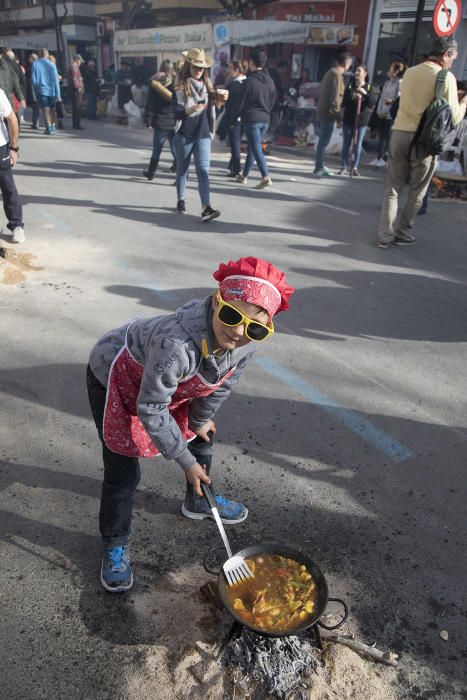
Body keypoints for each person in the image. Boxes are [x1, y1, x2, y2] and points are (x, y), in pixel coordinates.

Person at [87, 256, 294, 592]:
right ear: (216, 301)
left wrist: (198, 421)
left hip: (168, 382)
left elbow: (221, 383)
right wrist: (185, 461)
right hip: (116, 373)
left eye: (255, 327)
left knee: (202, 429)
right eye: (231, 315)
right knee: (123, 472)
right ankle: (114, 543)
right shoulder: (176, 345)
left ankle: (198, 500)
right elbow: (152, 407)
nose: (240, 332)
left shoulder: (244, 345)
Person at [377, 36, 467, 249]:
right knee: (417, 190)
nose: (452, 62)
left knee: (393, 189)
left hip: (399, 133)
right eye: (453, 58)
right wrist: (463, 103)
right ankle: (403, 232)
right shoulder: (446, 77)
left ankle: (384, 235)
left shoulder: (410, 72)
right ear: (446, 54)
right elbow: (454, 117)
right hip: (423, 140)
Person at [173, 48, 225, 221]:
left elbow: (213, 109)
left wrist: (220, 102)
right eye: (195, 67)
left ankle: (206, 208)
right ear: (188, 66)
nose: (198, 70)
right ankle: (181, 199)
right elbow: (177, 113)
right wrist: (190, 110)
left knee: (203, 171)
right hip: (185, 133)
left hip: (203, 133)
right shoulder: (181, 87)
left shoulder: (209, 87)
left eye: (201, 68)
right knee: (183, 169)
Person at [234, 49, 276, 189]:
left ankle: (265, 176)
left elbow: (240, 102)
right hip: (265, 118)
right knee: (253, 146)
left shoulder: (249, 81)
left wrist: (233, 118)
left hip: (252, 118)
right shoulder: (270, 81)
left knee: (256, 147)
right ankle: (244, 175)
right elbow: (273, 99)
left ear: (251, 63)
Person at [314, 51, 353, 177]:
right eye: (350, 63)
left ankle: (319, 165)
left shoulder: (330, 72)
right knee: (324, 141)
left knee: (323, 140)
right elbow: (335, 99)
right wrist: (338, 118)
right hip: (329, 112)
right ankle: (319, 166)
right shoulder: (336, 75)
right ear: (346, 63)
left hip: (324, 110)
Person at [339, 64, 375, 176]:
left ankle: (354, 167)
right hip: (349, 120)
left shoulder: (368, 88)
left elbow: (372, 103)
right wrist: (353, 97)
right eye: (356, 71)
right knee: (346, 144)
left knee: (358, 144)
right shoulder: (349, 87)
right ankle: (343, 166)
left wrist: (364, 94)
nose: (357, 73)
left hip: (362, 121)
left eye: (359, 71)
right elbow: (344, 103)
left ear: (365, 73)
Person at [142, 60, 176, 180]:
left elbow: (150, 103)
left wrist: (148, 120)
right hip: (174, 120)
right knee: (175, 149)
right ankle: (182, 174)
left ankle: (151, 173)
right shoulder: (176, 82)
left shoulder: (155, 83)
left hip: (161, 120)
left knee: (157, 149)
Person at [0, 87, 25, 244]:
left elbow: (12, 119)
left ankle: (16, 226)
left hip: (0, 147)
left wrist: (14, 148)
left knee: (7, 186)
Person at [370, 61, 406, 167]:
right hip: (382, 112)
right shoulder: (387, 82)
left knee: (387, 136)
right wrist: (379, 109)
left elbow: (399, 98)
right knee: (381, 136)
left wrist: (392, 101)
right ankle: (378, 157)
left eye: (391, 68)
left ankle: (384, 158)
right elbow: (381, 97)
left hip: (391, 113)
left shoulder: (400, 83)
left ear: (396, 71)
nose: (389, 71)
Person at [224, 59, 248, 178]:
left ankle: (236, 168)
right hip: (246, 118)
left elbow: (228, 104)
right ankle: (233, 165)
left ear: (237, 70)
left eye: (230, 68)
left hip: (235, 118)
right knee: (236, 143)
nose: (228, 71)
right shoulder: (248, 83)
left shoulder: (233, 85)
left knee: (235, 144)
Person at [31, 47, 61, 135]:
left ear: (39, 54)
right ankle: (53, 126)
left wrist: (37, 88)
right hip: (52, 91)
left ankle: (48, 128)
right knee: (52, 109)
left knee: (45, 110)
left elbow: (33, 80)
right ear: (47, 54)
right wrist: (58, 94)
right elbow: (56, 81)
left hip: (42, 90)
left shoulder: (35, 64)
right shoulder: (52, 65)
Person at [68, 54, 84, 130]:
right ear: (77, 60)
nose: (80, 62)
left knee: (76, 107)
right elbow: (75, 77)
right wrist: (78, 87)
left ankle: (76, 124)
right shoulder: (74, 66)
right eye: (80, 61)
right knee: (77, 107)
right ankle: (76, 124)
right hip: (76, 90)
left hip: (74, 89)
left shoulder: (72, 65)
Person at [48, 54, 65, 130]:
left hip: (54, 91)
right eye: (52, 61)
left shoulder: (55, 69)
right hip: (53, 92)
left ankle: (56, 123)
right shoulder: (50, 69)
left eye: (54, 61)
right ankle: (52, 124)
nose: (53, 63)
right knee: (53, 109)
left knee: (58, 108)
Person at [26, 53, 40, 129]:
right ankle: (35, 123)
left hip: (33, 90)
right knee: (36, 107)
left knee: (35, 107)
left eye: (30, 58)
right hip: (35, 90)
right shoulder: (37, 67)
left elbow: (30, 80)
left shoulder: (32, 67)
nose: (29, 60)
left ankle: (35, 123)